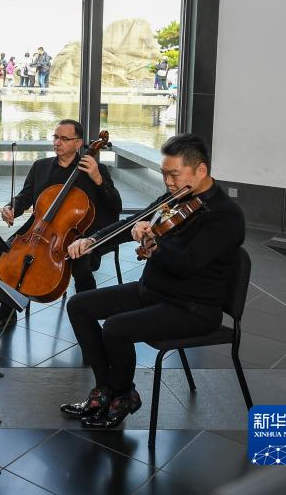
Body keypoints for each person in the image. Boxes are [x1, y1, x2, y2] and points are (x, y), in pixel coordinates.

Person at [62, 133, 244, 429]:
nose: (168, 182)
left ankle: (123, 395)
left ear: (200, 170)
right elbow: (132, 224)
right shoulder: (177, 198)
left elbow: (187, 263)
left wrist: (155, 245)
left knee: (116, 328)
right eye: (164, 174)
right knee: (79, 306)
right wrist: (93, 240)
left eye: (174, 174)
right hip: (153, 292)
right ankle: (105, 389)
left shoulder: (226, 216)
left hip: (193, 308)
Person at [0, 119, 122, 328]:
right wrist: (11, 208)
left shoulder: (94, 169)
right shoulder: (41, 167)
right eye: (55, 137)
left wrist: (99, 179)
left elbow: (115, 206)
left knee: (81, 264)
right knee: (2, 251)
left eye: (64, 139)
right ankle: (6, 309)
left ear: (78, 143)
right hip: (38, 228)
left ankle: (89, 316)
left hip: (77, 234)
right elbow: (25, 196)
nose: (57, 142)